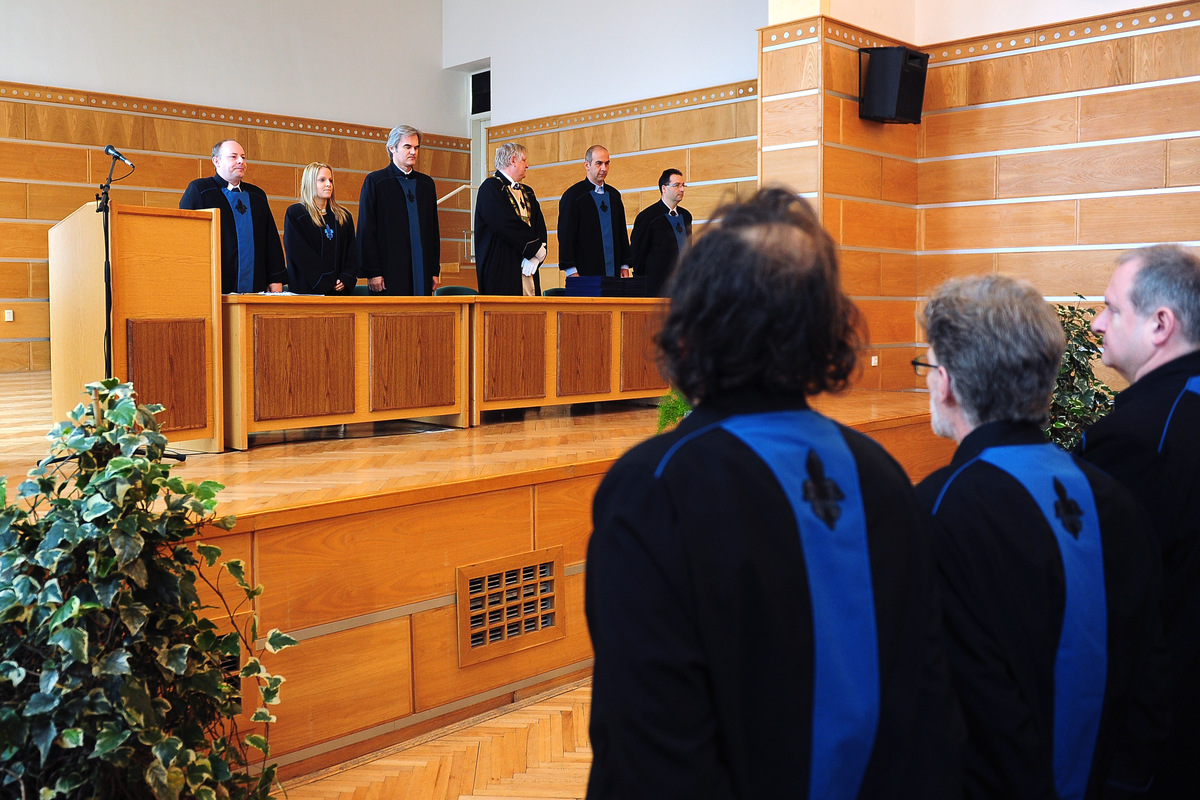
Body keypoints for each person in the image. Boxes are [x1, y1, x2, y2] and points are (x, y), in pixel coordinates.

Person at [586, 187, 962, 800]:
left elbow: (649, 755)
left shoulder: (654, 488)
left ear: (694, 321)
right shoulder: (881, 477)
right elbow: (929, 716)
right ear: (825, 327)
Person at [916, 275, 1168, 799]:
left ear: (948, 383)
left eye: (929, 367)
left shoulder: (938, 507)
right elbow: (1151, 676)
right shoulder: (1115, 498)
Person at [1078, 244, 1200, 798]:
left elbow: (1104, 603)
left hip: (1159, 742)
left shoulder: (1138, 437)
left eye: (1111, 308)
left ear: (1160, 324)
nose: (1097, 323)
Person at [180, 140, 286, 293]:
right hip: (212, 284)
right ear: (216, 161)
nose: (241, 161)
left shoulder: (257, 195)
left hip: (256, 284)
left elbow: (271, 241)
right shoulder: (200, 190)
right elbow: (185, 237)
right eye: (233, 156)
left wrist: (275, 278)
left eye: (243, 157)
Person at [356, 125, 440, 295]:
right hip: (388, 272)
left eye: (416, 147)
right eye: (407, 147)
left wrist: (433, 270)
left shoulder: (426, 184)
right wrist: (373, 272)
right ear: (392, 148)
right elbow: (366, 230)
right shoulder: (376, 182)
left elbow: (433, 231)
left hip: (422, 269)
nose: (413, 152)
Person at [474, 142, 547, 296]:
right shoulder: (490, 188)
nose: (527, 165)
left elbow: (539, 225)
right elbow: (505, 223)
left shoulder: (528, 192)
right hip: (502, 267)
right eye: (524, 160)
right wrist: (535, 250)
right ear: (512, 160)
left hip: (527, 267)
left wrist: (536, 257)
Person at [283, 162, 358, 295]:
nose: (328, 184)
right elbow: (299, 253)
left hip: (339, 291)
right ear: (310, 183)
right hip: (306, 290)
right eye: (322, 180)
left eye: (330, 180)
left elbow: (352, 253)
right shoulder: (296, 214)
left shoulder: (343, 216)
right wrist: (327, 280)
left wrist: (345, 278)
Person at [557, 145, 630, 280]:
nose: (604, 168)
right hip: (584, 271)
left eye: (607, 163)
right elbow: (566, 235)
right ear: (587, 165)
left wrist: (624, 264)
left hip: (614, 271)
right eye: (599, 163)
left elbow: (621, 232)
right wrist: (571, 270)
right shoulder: (573, 196)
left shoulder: (614, 195)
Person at [630, 168, 692, 296]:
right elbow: (638, 253)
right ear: (664, 188)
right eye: (676, 185)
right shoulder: (647, 217)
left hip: (682, 286)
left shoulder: (686, 216)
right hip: (656, 287)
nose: (682, 189)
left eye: (683, 185)